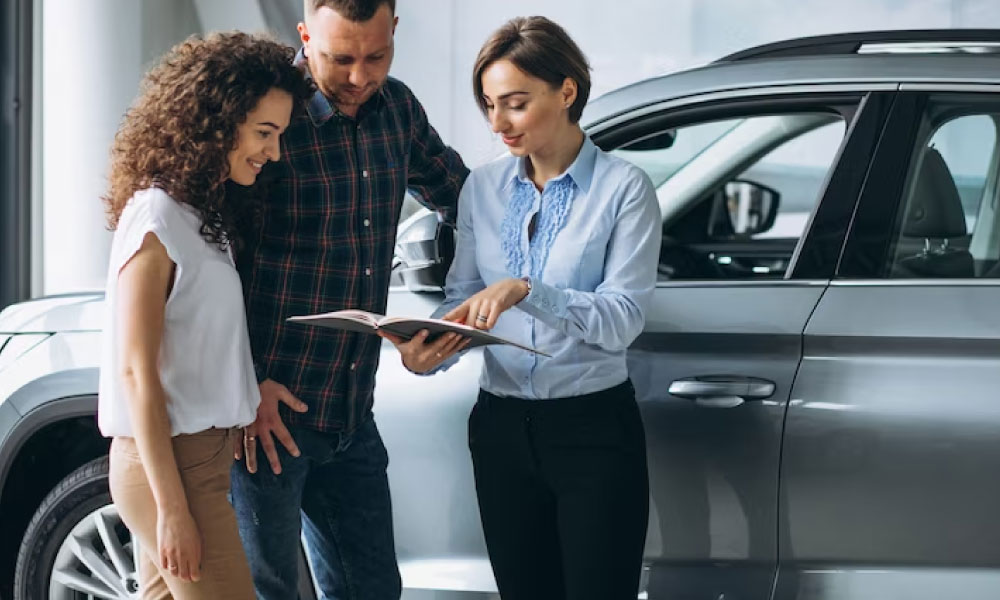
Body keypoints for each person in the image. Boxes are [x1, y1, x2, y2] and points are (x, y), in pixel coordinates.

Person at [380, 16, 662, 600]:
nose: (497, 123)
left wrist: (527, 290)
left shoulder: (624, 189)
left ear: (567, 91)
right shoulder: (480, 189)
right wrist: (432, 351)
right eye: (488, 104)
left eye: (514, 103)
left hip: (593, 431)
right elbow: (463, 297)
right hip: (500, 428)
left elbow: (623, 319)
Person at [229, 0, 468, 598]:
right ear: (305, 36)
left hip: (352, 414)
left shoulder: (400, 109)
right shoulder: (266, 117)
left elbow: (467, 202)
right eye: (340, 59)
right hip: (265, 419)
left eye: (376, 56)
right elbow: (212, 264)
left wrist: (469, 307)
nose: (361, 77)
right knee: (269, 591)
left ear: (394, 32)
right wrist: (242, 385)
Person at [98, 32, 312, 599]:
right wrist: (172, 510)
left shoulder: (201, 215)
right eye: (264, 133)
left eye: (280, 136)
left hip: (201, 463)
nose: (274, 152)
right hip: (169, 468)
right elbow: (135, 372)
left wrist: (244, 383)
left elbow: (194, 336)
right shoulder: (156, 216)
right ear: (216, 120)